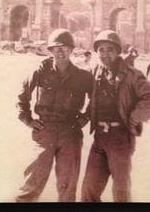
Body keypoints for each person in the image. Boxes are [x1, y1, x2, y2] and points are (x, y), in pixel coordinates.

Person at [81, 30, 150, 202]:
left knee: (120, 190)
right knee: (89, 188)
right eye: (101, 50)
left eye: (110, 49)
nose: (105, 54)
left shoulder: (132, 74)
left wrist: (134, 117)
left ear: (118, 51)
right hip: (99, 138)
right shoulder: (95, 72)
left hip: (120, 139)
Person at [15, 28, 93, 202]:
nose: (60, 52)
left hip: (70, 133)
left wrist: (85, 118)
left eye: (65, 48)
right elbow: (22, 97)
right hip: (45, 131)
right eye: (56, 48)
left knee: (67, 185)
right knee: (33, 181)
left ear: (72, 50)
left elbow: (96, 100)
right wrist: (28, 121)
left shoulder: (83, 76)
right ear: (50, 51)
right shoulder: (40, 71)